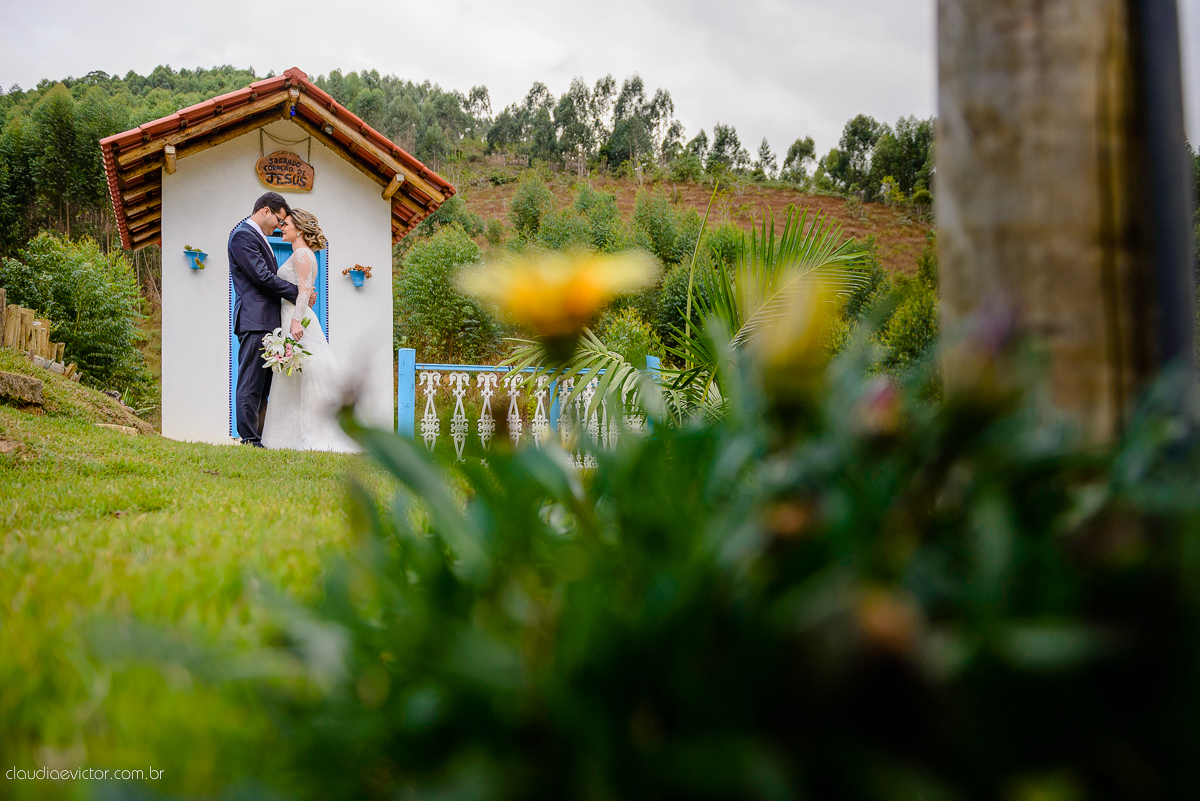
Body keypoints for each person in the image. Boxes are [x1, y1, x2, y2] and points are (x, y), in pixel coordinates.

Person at [260, 209, 359, 453]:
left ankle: (314, 433)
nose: (282, 227)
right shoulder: (301, 253)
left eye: (287, 224)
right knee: (296, 377)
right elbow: (305, 290)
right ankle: (288, 437)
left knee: (309, 376)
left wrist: (295, 322)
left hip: (296, 319)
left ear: (300, 230)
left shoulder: (302, 254)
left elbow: (304, 290)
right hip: (291, 315)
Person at [230, 191, 300, 447]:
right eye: (279, 220)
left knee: (263, 384)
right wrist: (296, 292)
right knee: (250, 381)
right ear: (266, 211)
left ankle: (259, 436)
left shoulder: (258, 238)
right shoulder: (242, 237)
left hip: (266, 322)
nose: (279, 227)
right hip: (254, 320)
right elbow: (261, 276)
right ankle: (249, 437)